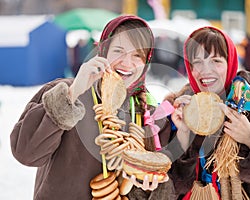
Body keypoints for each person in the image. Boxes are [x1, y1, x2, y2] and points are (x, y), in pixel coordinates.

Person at [10, 15, 175, 200]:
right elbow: (26, 154)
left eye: (138, 55)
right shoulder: (62, 91)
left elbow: (159, 179)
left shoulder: (148, 112)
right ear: (102, 52)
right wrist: (72, 94)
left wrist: (145, 186)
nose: (127, 63)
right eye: (119, 51)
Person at [164, 26, 250, 199]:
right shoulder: (183, 110)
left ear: (231, 63)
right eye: (197, 62)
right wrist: (183, 137)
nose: (206, 70)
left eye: (216, 60)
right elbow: (170, 189)